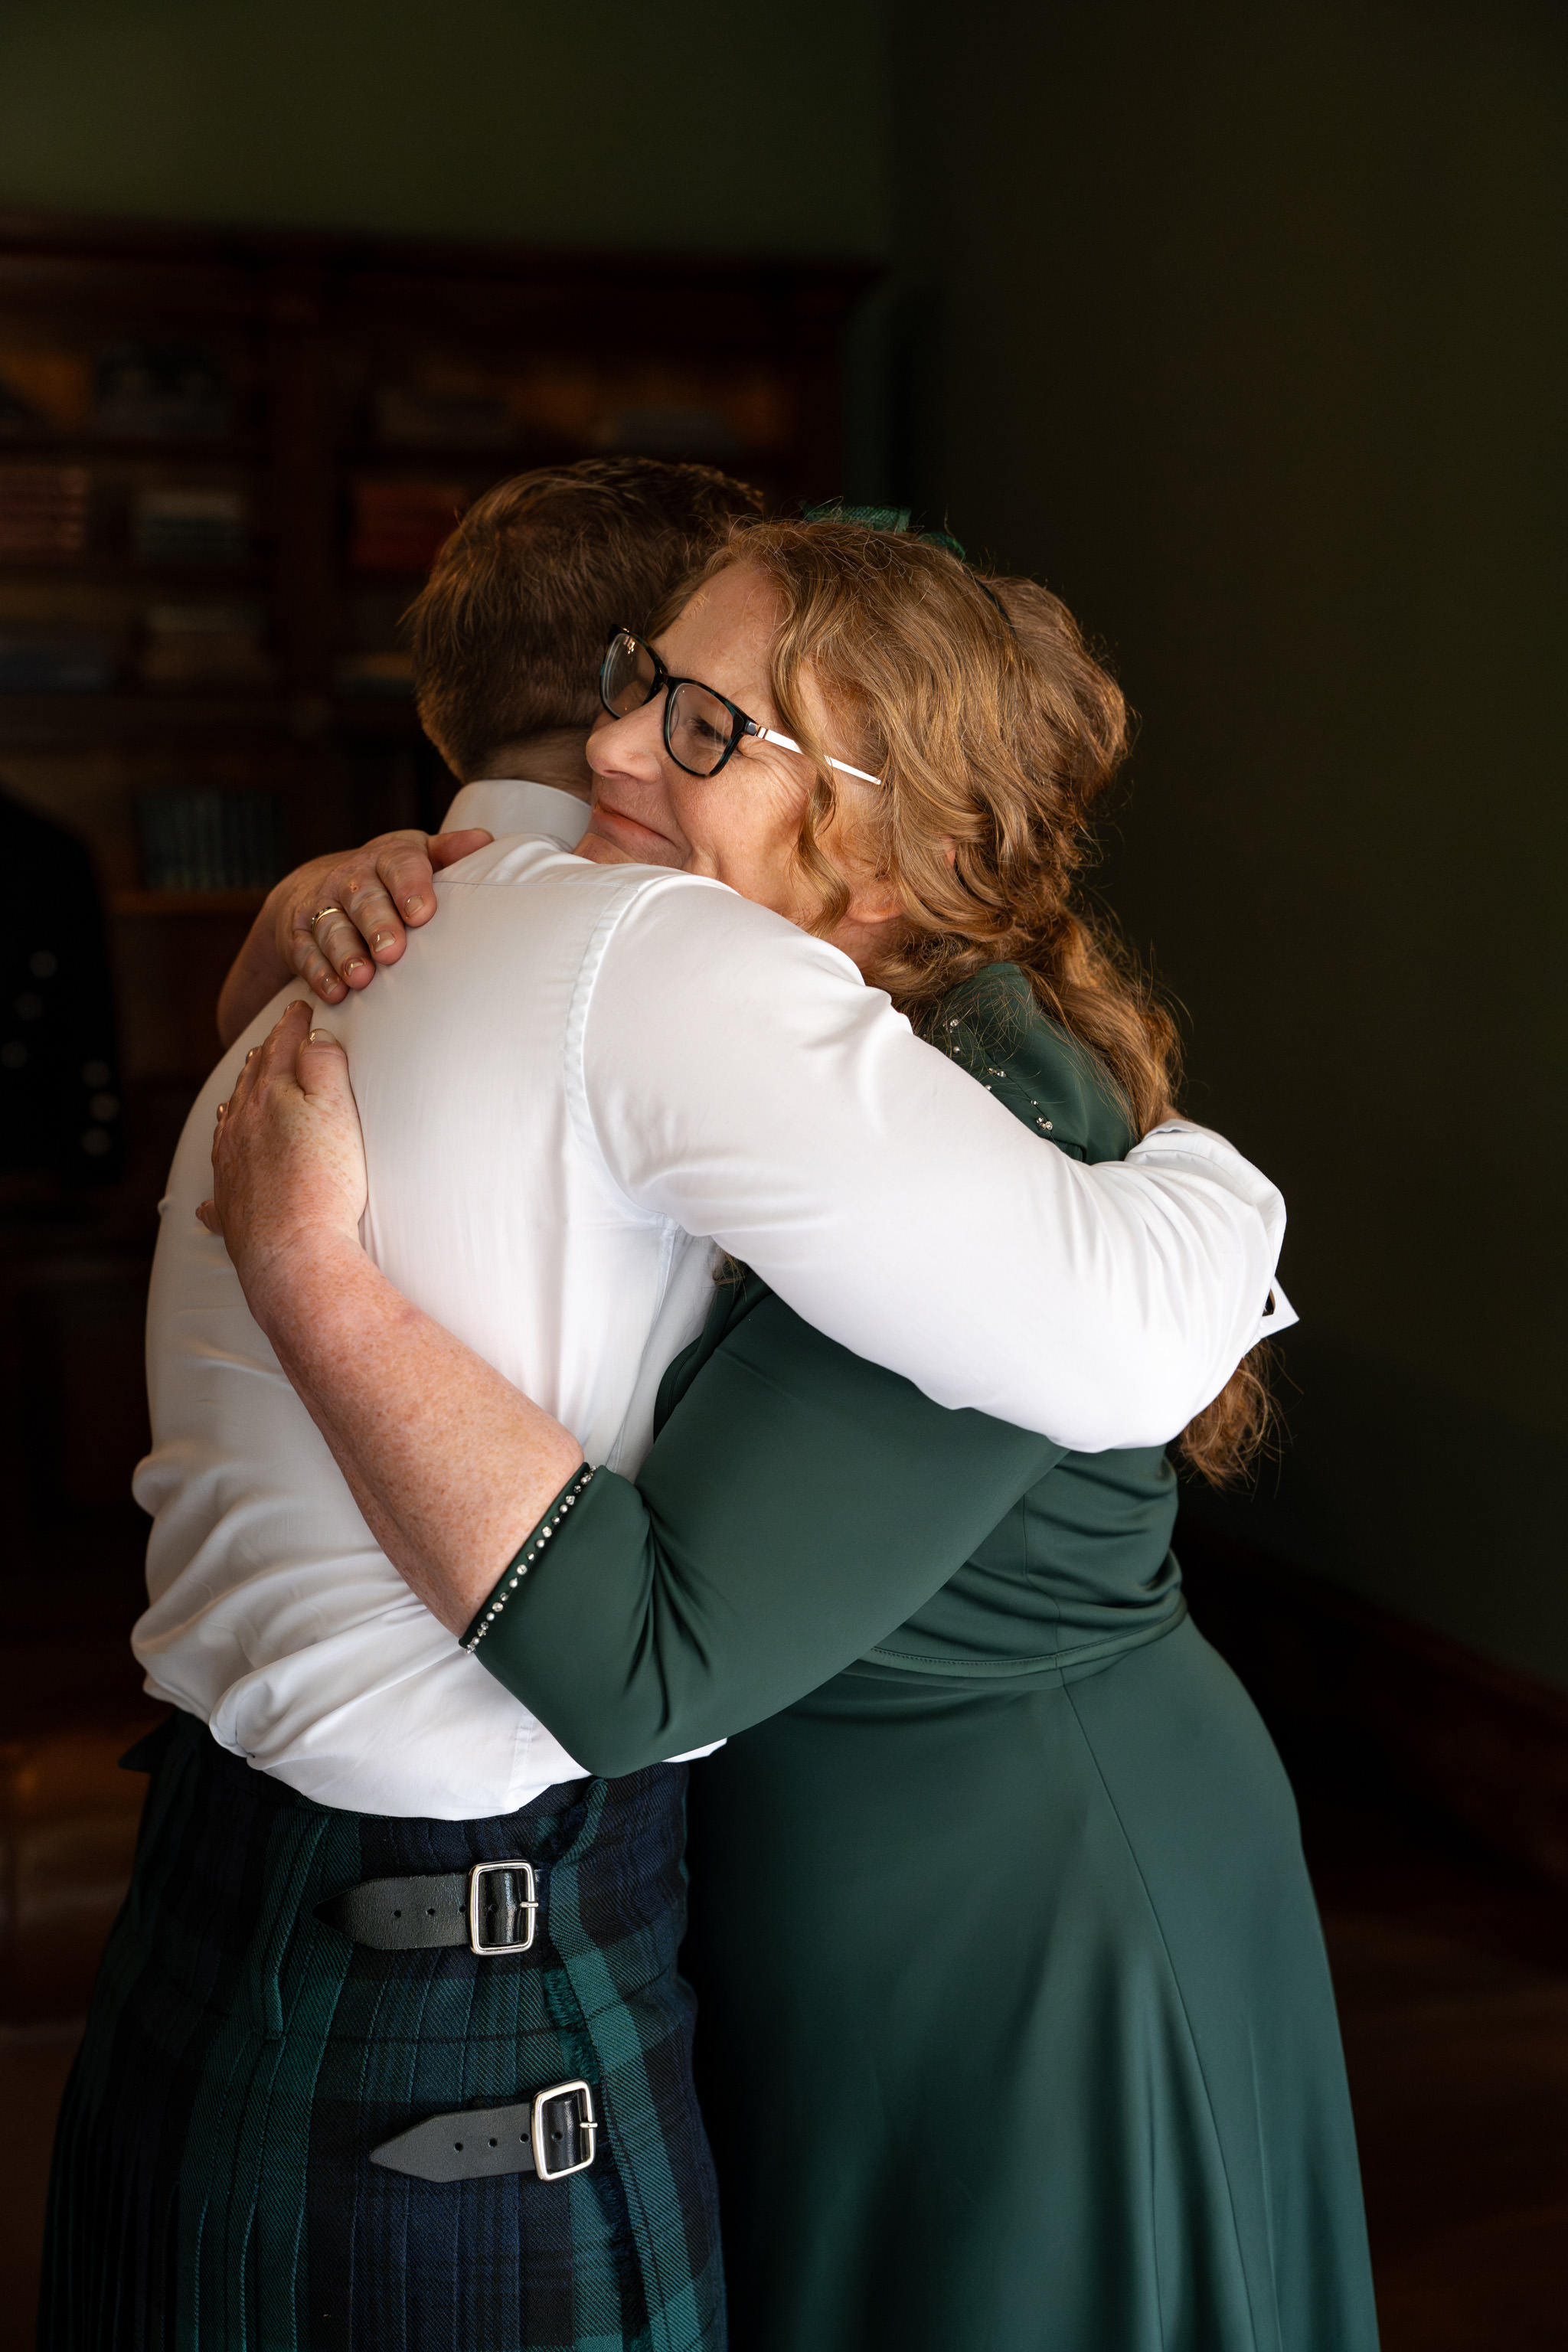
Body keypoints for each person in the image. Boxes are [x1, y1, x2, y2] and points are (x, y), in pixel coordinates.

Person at [42, 469, 1288, 2352]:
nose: (615, 745)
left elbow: (657, 1648)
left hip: (1012, 1891)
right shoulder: (606, 976)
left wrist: (1214, 1175)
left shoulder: (860, 1046)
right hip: (697, 1895)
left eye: (702, 721)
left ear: (885, 841)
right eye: (637, 680)